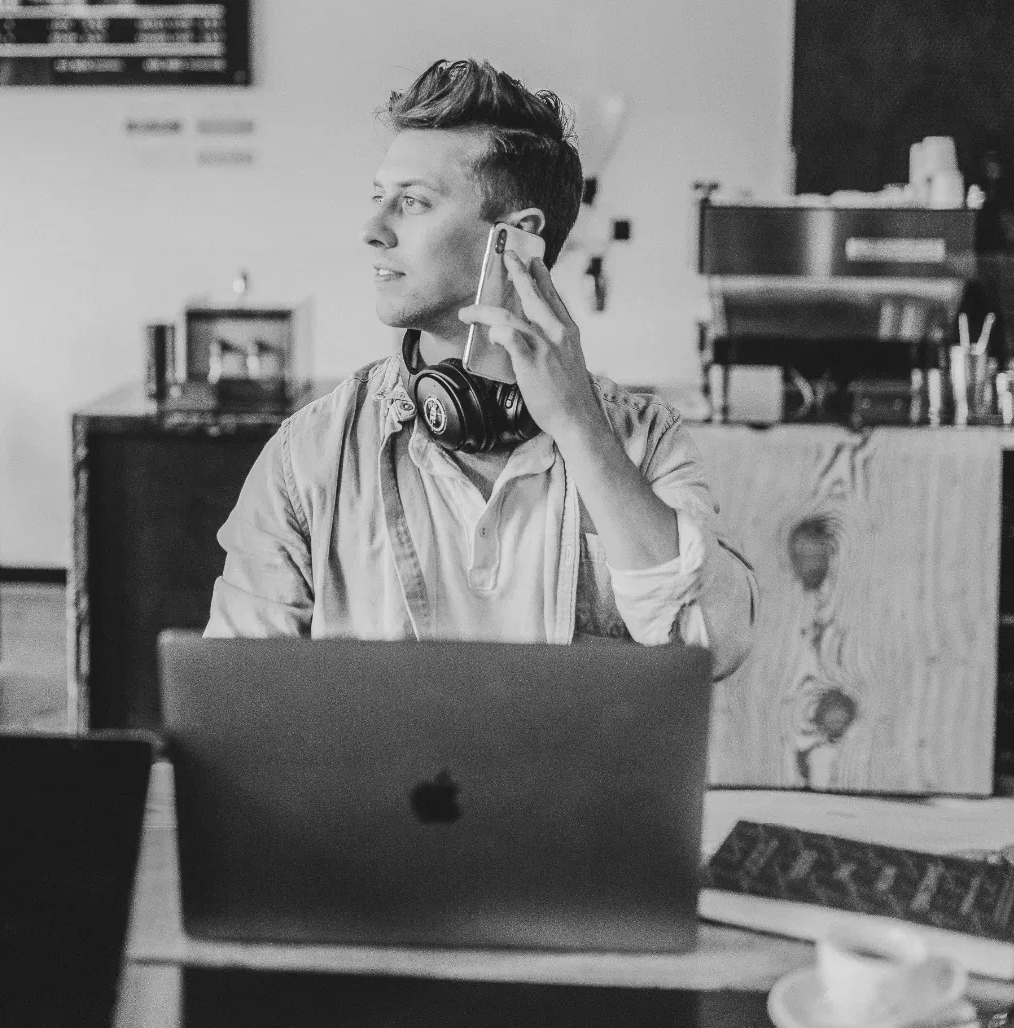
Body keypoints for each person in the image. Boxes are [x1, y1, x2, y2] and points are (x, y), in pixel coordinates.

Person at [204, 58, 756, 679]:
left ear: (516, 239)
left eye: (412, 202)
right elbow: (238, 694)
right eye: (378, 199)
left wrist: (579, 427)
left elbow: (714, 649)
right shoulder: (309, 456)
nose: (372, 230)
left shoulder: (644, 439)